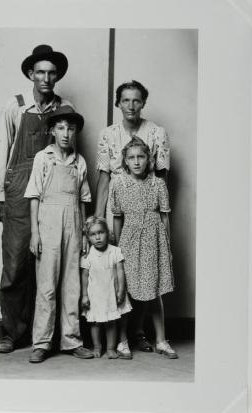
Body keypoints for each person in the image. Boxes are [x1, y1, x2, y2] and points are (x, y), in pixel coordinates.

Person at [0, 44, 74, 353]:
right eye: (40, 72)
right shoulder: (16, 106)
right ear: (30, 74)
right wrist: (2, 195)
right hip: (19, 188)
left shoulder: (65, 106)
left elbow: (71, 151)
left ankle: (44, 335)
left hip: (54, 189)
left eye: (52, 73)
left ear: (57, 76)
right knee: (16, 262)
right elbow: (1, 150)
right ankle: (11, 332)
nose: (46, 78)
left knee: (49, 262)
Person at [95, 80, 170, 351]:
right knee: (120, 271)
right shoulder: (108, 134)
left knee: (146, 272)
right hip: (118, 205)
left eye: (136, 100)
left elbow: (160, 177)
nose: (131, 105)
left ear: (143, 103)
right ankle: (117, 335)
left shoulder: (157, 132)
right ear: (118, 103)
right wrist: (96, 218)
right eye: (125, 100)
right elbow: (104, 177)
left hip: (146, 210)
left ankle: (139, 332)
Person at [24, 106, 94, 363]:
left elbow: (84, 200)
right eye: (61, 128)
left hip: (74, 224)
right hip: (48, 224)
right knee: (46, 285)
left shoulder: (80, 161)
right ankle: (41, 343)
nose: (66, 134)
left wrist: (85, 234)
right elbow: (33, 197)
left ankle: (71, 340)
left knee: (72, 285)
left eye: (71, 128)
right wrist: (35, 233)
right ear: (52, 130)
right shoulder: (44, 157)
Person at [111, 137, 178, 359]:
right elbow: (118, 218)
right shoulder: (118, 184)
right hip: (129, 240)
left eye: (141, 157)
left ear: (148, 159)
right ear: (125, 161)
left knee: (154, 291)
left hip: (153, 240)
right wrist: (118, 249)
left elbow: (165, 217)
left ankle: (161, 340)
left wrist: (166, 246)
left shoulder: (158, 183)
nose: (137, 162)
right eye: (131, 158)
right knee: (127, 291)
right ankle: (122, 341)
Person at [80, 216, 132, 359]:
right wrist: (84, 295)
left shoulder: (115, 251)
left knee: (111, 322)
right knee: (95, 323)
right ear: (88, 237)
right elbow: (84, 276)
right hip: (95, 294)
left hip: (111, 293)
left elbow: (120, 271)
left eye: (100, 232)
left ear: (107, 233)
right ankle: (97, 346)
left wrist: (121, 290)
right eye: (93, 234)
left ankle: (110, 348)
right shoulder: (88, 255)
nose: (97, 237)